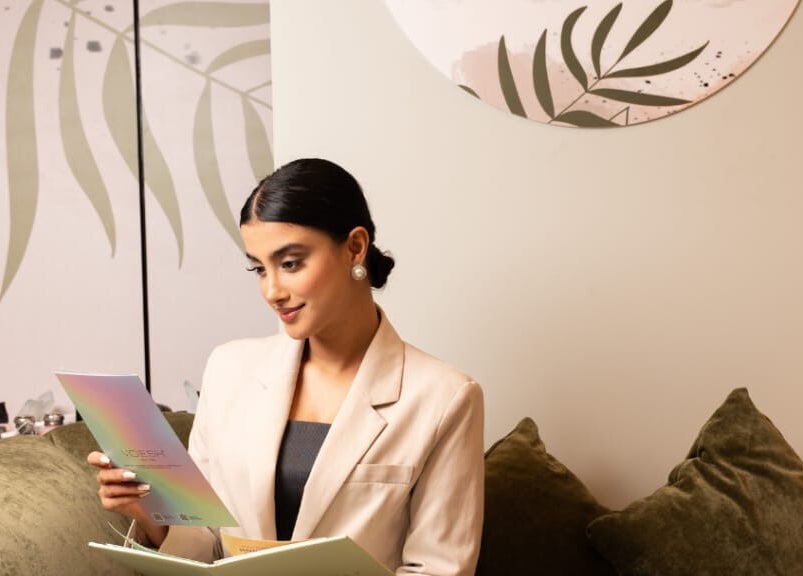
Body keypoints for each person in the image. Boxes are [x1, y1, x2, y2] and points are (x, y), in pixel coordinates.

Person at [88, 158, 484, 575]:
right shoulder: (228, 369)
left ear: (355, 246)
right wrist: (147, 510)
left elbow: (438, 569)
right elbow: (207, 544)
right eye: (259, 268)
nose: (272, 291)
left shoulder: (445, 397)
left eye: (290, 263)